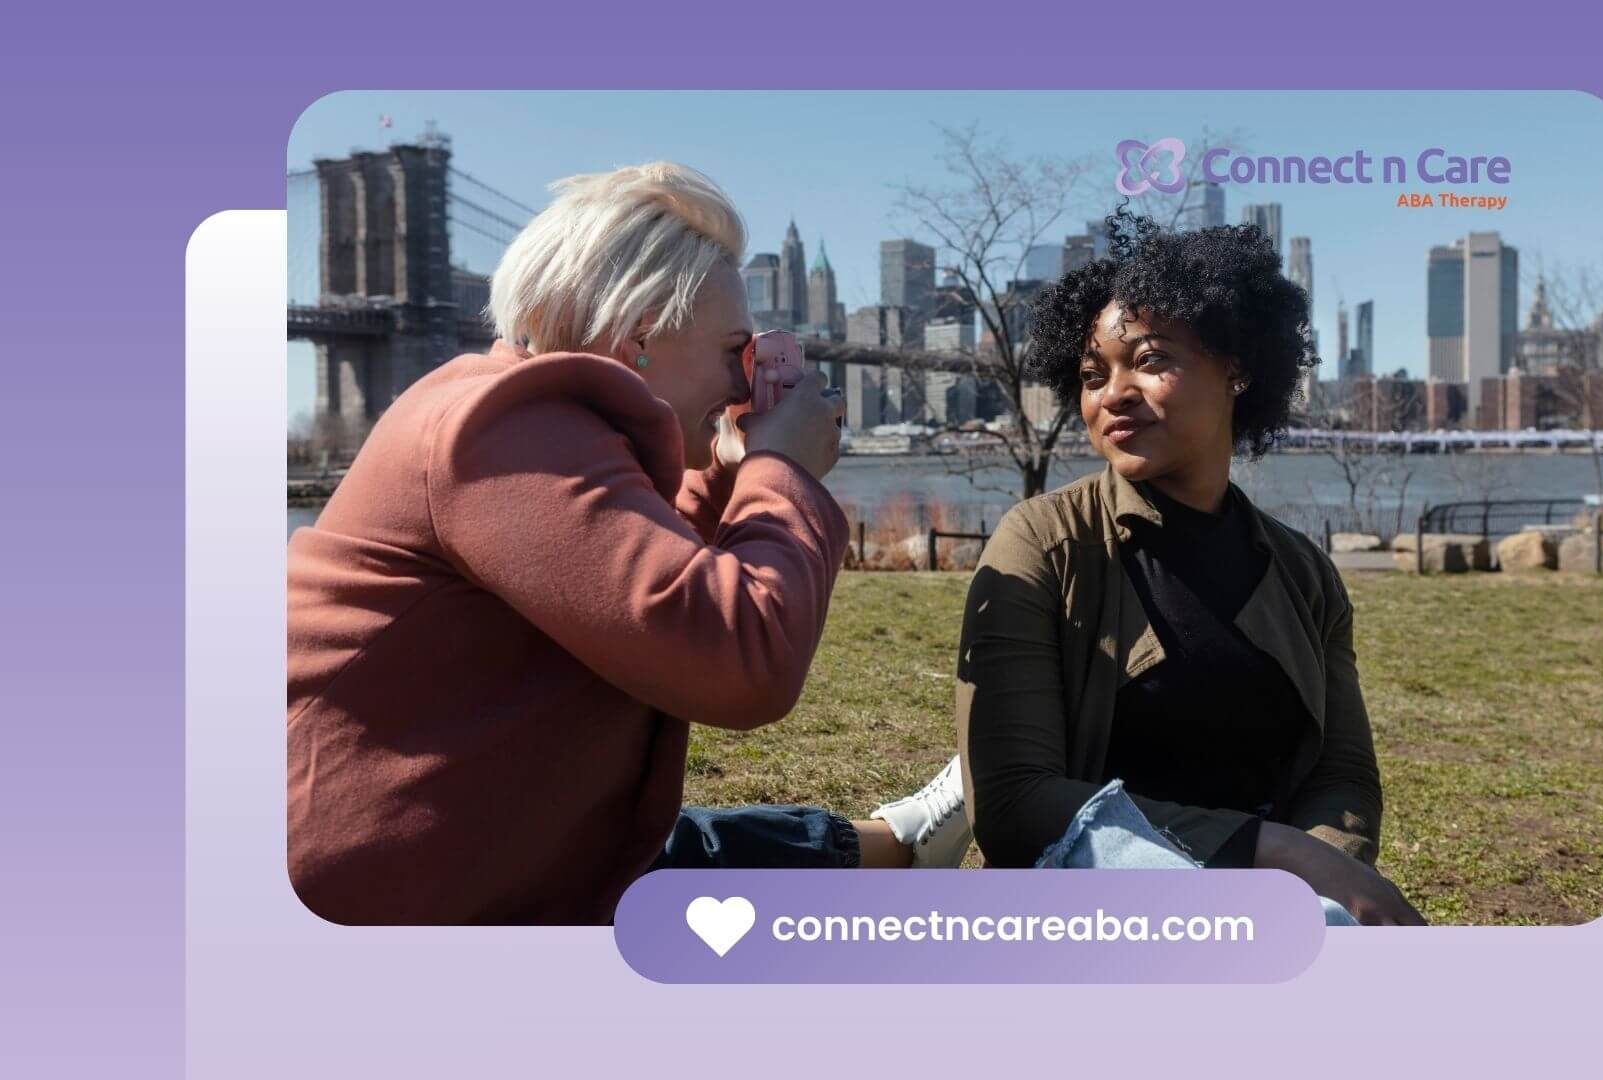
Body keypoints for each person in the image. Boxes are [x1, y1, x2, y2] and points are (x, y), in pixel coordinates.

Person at [287, 163, 963, 926]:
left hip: (463, 859)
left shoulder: (525, 417)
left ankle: (894, 845)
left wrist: (733, 469)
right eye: (733, 353)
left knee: (675, 853)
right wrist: (783, 470)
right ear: (638, 334)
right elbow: (741, 660)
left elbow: (647, 578)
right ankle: (899, 848)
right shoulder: (501, 429)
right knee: (675, 868)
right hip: (376, 904)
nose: (745, 388)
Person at [953, 206, 1425, 926]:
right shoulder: (1043, 543)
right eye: (1090, 374)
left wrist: (1325, 883)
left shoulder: (1305, 574)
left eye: (1149, 360)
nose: (1111, 394)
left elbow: (1342, 773)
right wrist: (1275, 854)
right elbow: (1017, 804)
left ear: (1236, 369)